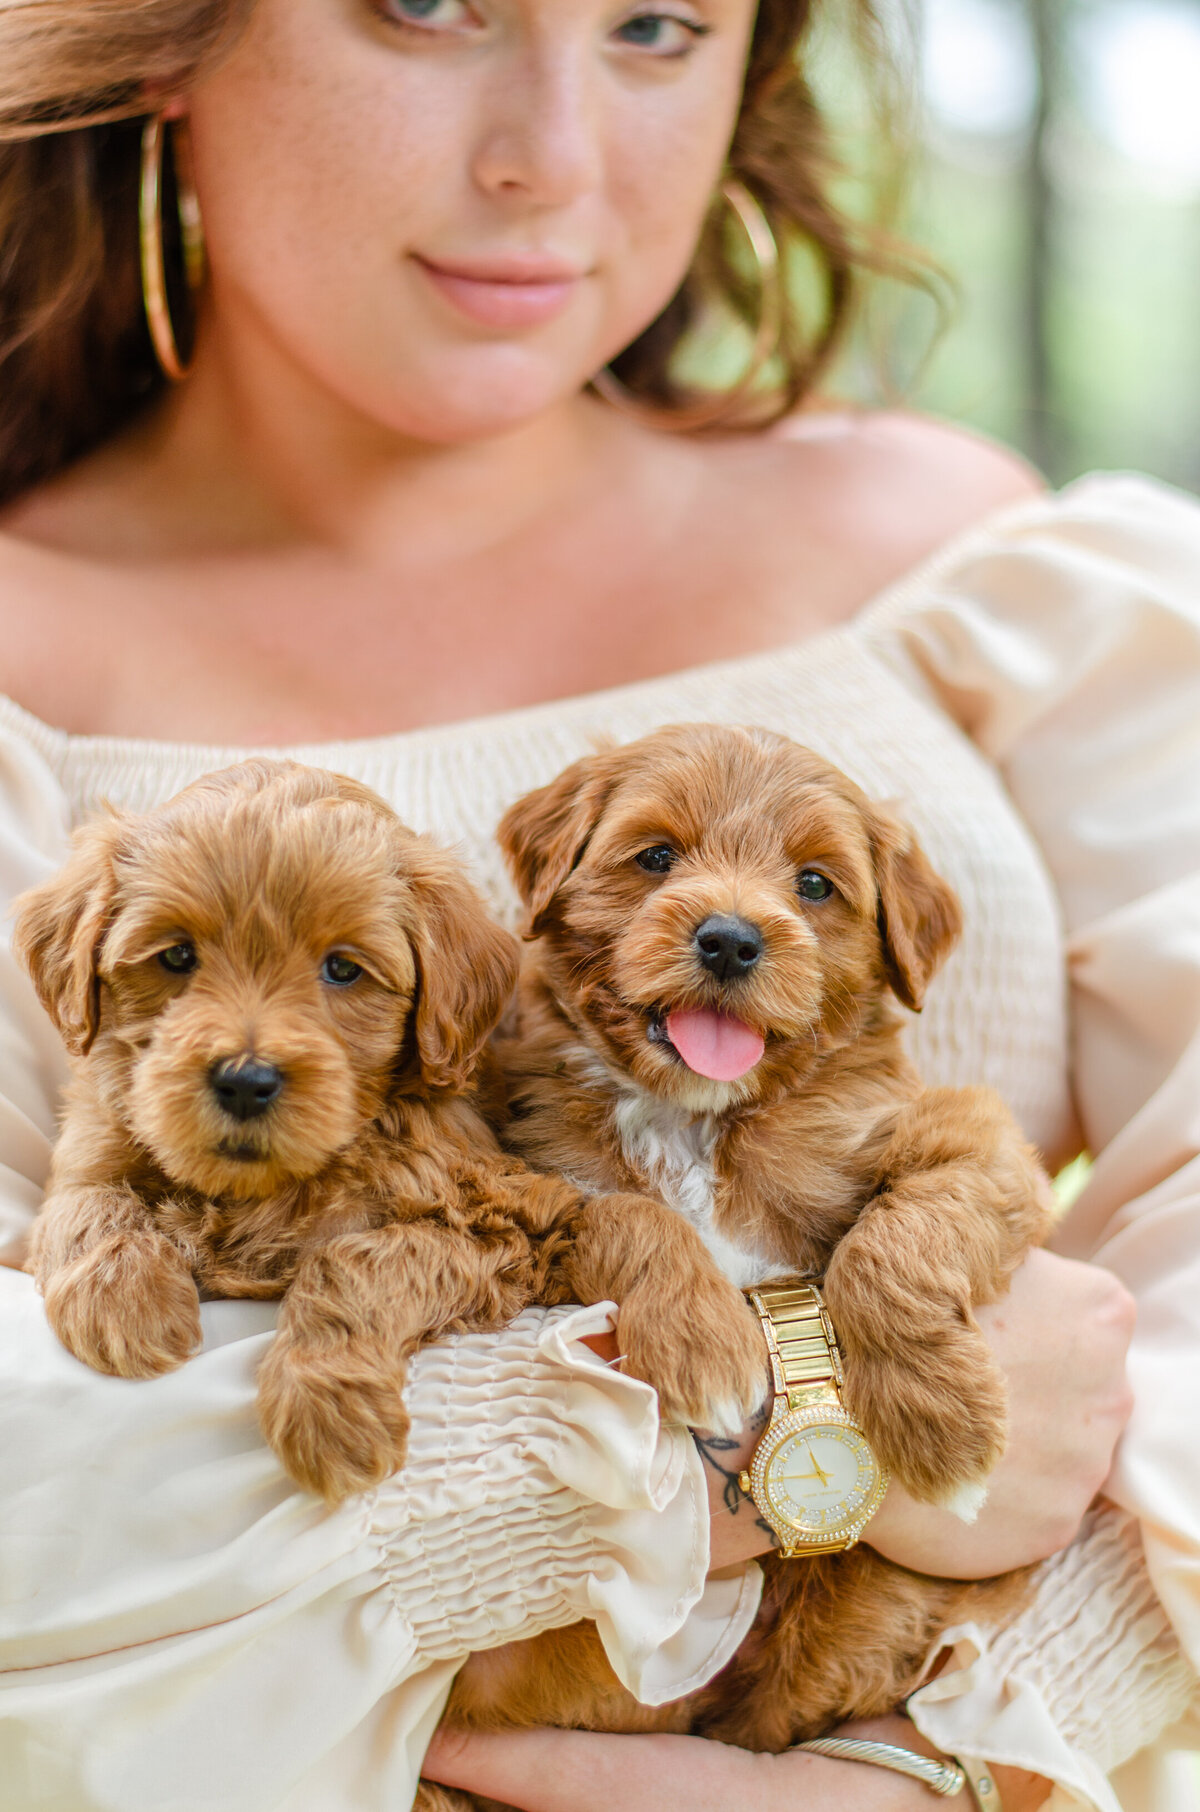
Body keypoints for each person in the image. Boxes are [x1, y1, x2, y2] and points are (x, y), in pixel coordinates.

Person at [0, 0, 1195, 1805]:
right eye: (424, 4)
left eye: (654, 25)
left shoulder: (978, 565)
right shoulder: (29, 682)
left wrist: (947, 1748)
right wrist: (771, 1439)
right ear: (168, 36)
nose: (548, 156)